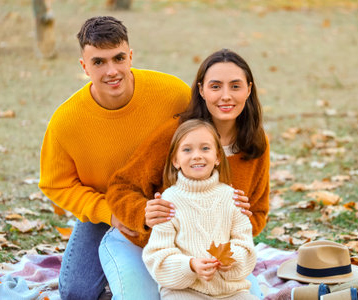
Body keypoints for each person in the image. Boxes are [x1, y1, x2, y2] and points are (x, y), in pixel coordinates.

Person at [38, 16, 191, 300]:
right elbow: (55, 184)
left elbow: (205, 139)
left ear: (130, 56)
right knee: (76, 292)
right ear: (84, 66)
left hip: (173, 204)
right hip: (109, 210)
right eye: (98, 62)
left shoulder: (174, 94)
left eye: (118, 58)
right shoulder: (66, 122)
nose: (111, 71)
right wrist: (107, 212)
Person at [102, 48, 270, 299]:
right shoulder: (177, 135)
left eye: (235, 86)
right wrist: (144, 213)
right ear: (201, 90)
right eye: (215, 86)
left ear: (248, 89)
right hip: (145, 245)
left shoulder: (255, 144)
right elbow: (120, 187)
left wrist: (239, 219)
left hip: (210, 260)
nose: (226, 96)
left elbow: (257, 213)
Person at [144, 119, 258, 299]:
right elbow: (159, 254)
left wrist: (231, 259)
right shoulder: (169, 202)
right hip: (186, 291)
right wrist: (190, 265)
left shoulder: (232, 197)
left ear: (218, 157)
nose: (197, 155)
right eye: (187, 150)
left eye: (205, 148)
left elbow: (245, 245)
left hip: (230, 291)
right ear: (175, 160)